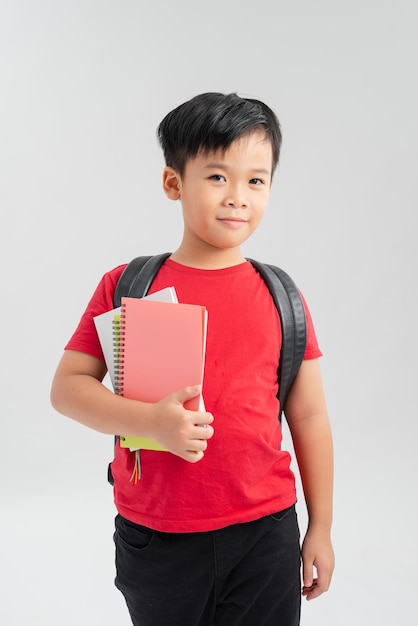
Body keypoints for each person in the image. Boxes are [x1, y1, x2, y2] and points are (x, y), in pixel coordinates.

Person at [50, 92, 334, 626]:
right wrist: (150, 421)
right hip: (158, 535)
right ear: (173, 184)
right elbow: (67, 388)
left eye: (256, 180)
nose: (237, 197)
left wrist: (320, 526)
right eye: (217, 177)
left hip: (265, 532)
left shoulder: (281, 295)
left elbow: (310, 416)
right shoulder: (128, 285)